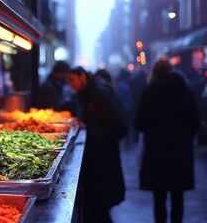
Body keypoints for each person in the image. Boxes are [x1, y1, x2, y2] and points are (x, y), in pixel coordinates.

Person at [134, 57, 200, 223]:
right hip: (181, 150)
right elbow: (195, 122)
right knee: (178, 195)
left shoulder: (149, 93)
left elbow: (139, 123)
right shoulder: (185, 90)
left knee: (159, 196)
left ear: (154, 72)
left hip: (156, 151)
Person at [67, 66, 127, 223]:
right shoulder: (90, 92)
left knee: (99, 211)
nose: (71, 85)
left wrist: (89, 134)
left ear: (82, 77)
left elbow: (119, 127)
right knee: (96, 210)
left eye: (72, 80)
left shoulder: (99, 91)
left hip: (104, 162)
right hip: (99, 161)